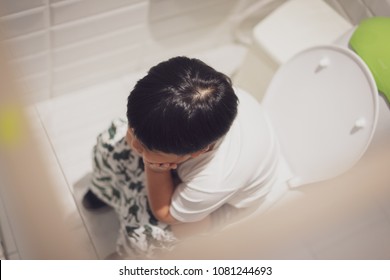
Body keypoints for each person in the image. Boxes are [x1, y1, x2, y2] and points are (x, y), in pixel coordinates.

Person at [82, 56, 279, 258]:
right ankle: (106, 189)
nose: (132, 142)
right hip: (220, 160)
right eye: (133, 129)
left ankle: (130, 257)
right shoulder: (208, 97)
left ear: (197, 153)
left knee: (159, 233)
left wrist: (156, 169)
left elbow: (165, 214)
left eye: (145, 146)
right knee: (112, 138)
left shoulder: (213, 181)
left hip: (229, 203)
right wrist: (150, 152)